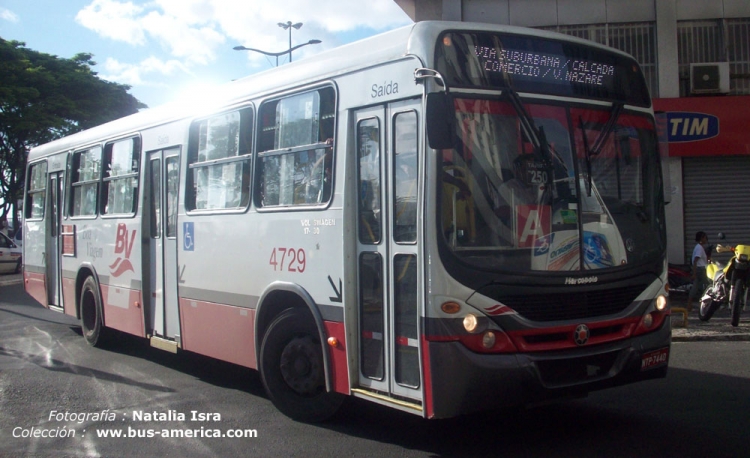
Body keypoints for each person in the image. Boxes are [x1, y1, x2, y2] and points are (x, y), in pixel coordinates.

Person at [687, 231, 709, 312]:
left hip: (699, 269)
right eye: (705, 237)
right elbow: (696, 260)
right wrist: (695, 273)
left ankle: (690, 304)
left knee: (695, 287)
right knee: (708, 286)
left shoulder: (698, 247)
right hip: (701, 270)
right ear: (701, 238)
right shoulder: (699, 248)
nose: (706, 239)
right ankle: (706, 305)